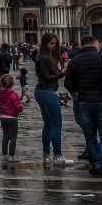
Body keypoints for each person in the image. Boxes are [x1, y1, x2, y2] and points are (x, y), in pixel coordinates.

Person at [64, 35, 102, 177]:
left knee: (90, 135)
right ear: (94, 43)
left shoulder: (74, 61)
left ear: (81, 45)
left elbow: (68, 84)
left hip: (84, 102)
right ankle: (100, 164)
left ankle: (96, 163)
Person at [33, 32, 71, 164]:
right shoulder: (42, 57)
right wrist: (62, 73)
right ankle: (58, 156)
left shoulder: (46, 56)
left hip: (43, 92)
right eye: (51, 43)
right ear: (45, 43)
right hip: (46, 92)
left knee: (48, 124)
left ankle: (46, 155)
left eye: (55, 44)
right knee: (56, 125)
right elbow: (46, 78)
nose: (54, 46)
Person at [0, 74, 23, 164]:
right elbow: (17, 106)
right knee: (13, 137)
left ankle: (4, 155)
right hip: (12, 118)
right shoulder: (13, 95)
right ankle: (11, 156)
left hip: (3, 117)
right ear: (12, 84)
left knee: (5, 137)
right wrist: (20, 109)